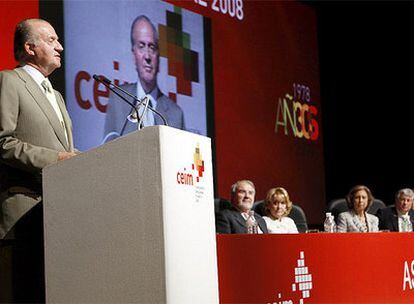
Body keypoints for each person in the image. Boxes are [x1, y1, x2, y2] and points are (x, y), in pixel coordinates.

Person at [0, 18, 76, 302]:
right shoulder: (9, 81)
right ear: (30, 47)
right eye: (52, 40)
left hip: (57, 219)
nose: (61, 47)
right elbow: (3, 142)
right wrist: (56, 158)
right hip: (21, 215)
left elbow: (65, 149)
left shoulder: (56, 95)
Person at [103, 15, 185, 142]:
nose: (147, 56)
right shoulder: (119, 99)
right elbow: (106, 151)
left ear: (158, 55)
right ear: (133, 54)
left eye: (152, 47)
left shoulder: (176, 113)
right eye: (141, 46)